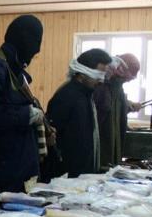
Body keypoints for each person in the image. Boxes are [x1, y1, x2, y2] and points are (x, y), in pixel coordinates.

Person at [0, 15, 45, 203]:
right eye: (36, 41)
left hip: (18, 170)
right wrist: (26, 115)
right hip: (1, 174)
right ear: (23, 39)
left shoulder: (14, 69)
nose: (37, 49)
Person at [45, 48, 114, 178]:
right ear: (82, 74)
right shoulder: (66, 96)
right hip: (66, 176)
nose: (101, 80)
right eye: (97, 75)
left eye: (103, 76)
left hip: (83, 175)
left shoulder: (87, 95)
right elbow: (53, 139)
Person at [95, 53, 142, 169]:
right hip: (100, 148)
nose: (129, 80)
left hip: (113, 148)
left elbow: (118, 105)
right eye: (130, 76)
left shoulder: (117, 87)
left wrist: (130, 105)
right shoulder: (100, 87)